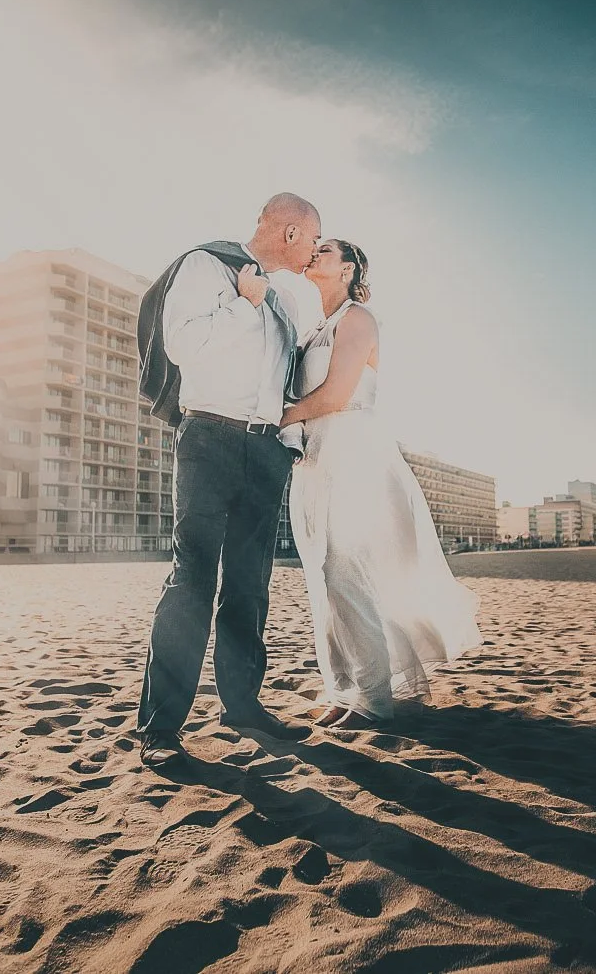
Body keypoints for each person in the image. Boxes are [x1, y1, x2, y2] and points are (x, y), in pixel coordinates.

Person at [133, 193, 325, 767]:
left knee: (250, 586)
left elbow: (280, 386)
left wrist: (287, 445)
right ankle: (160, 729)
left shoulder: (284, 305)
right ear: (291, 232)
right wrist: (244, 304)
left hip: (265, 450)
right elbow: (183, 345)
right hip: (209, 438)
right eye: (314, 238)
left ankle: (242, 707)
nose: (316, 250)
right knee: (192, 579)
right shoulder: (207, 265)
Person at [281, 240, 481, 729]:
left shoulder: (359, 319)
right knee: (322, 576)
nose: (313, 252)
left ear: (348, 268)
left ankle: (372, 697)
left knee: (345, 571)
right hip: (313, 458)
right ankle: (340, 689)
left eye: (324, 249)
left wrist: (282, 415)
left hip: (353, 451)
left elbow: (336, 393)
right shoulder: (312, 330)